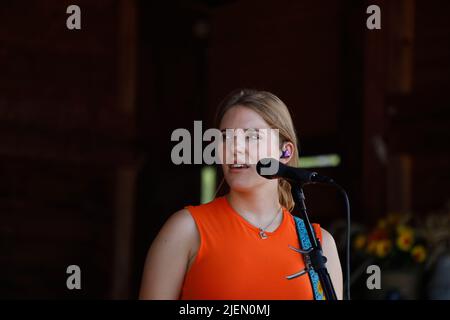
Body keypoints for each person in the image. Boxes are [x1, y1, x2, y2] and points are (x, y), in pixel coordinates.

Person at [139, 89, 343, 300]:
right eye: (226, 137)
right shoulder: (186, 230)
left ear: (285, 152)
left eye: (251, 136)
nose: (235, 148)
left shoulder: (318, 243)